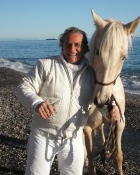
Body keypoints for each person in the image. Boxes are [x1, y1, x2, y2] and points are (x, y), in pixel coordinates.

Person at [16, 26, 120, 175]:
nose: (72, 49)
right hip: (43, 135)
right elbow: (23, 87)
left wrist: (110, 110)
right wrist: (36, 102)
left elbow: (100, 101)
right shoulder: (45, 65)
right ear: (62, 45)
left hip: (74, 138)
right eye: (68, 44)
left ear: (85, 48)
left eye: (77, 45)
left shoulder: (91, 74)